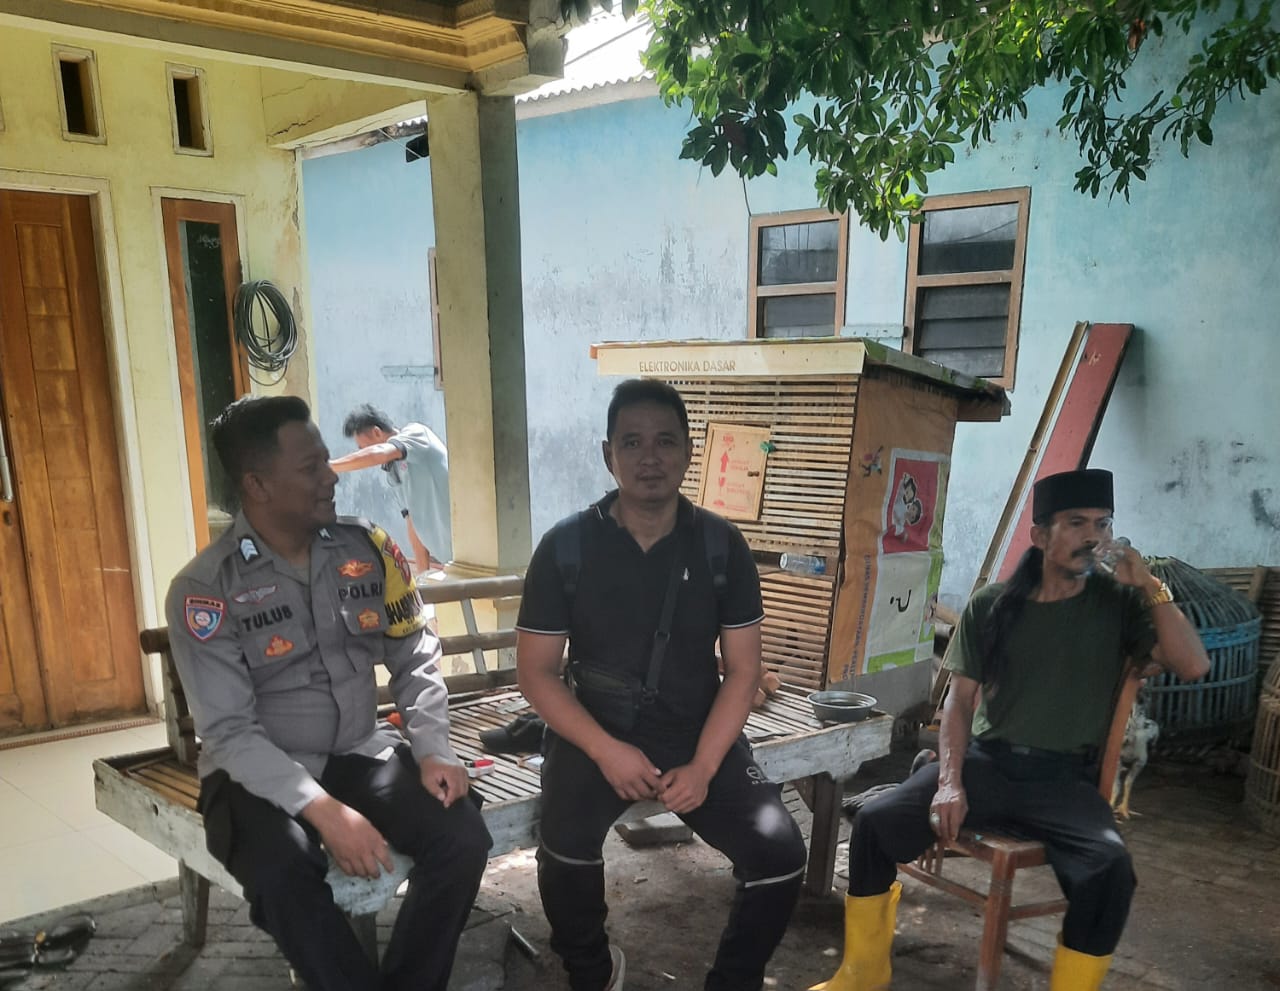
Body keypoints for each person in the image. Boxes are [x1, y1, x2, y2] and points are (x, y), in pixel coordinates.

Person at [811, 468, 1210, 991]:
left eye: (1103, 524)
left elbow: (1193, 665)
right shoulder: (992, 604)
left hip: (1064, 781)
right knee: (875, 823)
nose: (1093, 537)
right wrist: (949, 781)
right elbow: (958, 703)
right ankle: (862, 973)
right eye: (1077, 523)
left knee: (1110, 870)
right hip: (988, 764)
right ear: (1040, 535)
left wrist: (1152, 587)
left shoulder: (1120, 604)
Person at [166, 396, 490, 991]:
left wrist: (433, 747)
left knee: (463, 837)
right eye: (311, 467)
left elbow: (413, 647)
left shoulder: (368, 548)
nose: (330, 477)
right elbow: (230, 733)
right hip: (255, 775)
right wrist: (324, 812)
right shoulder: (205, 589)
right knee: (283, 873)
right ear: (257, 484)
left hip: (359, 750)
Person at [516, 379, 808, 991]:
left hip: (695, 731)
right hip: (595, 730)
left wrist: (703, 767)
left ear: (688, 452)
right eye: (632, 442)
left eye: (665, 442)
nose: (649, 458)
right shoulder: (567, 548)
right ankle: (593, 972)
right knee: (564, 850)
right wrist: (606, 751)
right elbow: (536, 672)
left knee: (779, 855)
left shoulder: (720, 546)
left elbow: (744, 671)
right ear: (608, 454)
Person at [331, 404, 452, 574]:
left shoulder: (416, 434)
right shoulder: (394, 471)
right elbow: (413, 524)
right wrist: (422, 577)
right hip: (449, 560)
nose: (362, 453)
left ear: (377, 432)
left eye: (363, 448)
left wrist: (329, 466)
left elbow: (379, 453)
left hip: (469, 546)